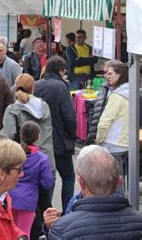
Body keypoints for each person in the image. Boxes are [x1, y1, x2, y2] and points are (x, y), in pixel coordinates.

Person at [44, 145, 142, 239]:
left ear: (81, 182)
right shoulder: (138, 221)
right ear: (119, 182)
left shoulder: (62, 230)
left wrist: (51, 230)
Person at [34, 55, 76, 214]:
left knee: (47, 178)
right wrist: (72, 135)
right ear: (60, 70)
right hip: (60, 140)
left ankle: (46, 212)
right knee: (69, 177)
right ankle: (67, 212)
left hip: (41, 141)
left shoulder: (36, 85)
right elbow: (69, 116)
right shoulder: (61, 86)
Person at [9, 121, 53, 237]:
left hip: (10, 198)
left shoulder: (13, 154)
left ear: (21, 135)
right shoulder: (42, 159)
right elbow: (47, 182)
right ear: (38, 137)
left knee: (9, 231)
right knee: (24, 233)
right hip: (28, 202)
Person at [96, 60, 129, 195]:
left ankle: (119, 208)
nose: (106, 76)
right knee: (123, 179)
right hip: (127, 142)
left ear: (119, 75)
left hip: (113, 142)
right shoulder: (131, 91)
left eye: (110, 73)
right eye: (105, 73)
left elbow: (104, 122)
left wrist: (99, 140)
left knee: (115, 182)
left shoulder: (117, 96)